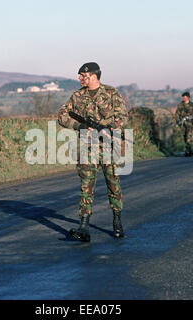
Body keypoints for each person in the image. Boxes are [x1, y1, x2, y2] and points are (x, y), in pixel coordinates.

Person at [57, 62, 128, 242]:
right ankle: (84, 227)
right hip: (87, 147)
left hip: (109, 147)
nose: (80, 78)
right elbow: (62, 115)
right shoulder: (77, 96)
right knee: (86, 185)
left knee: (113, 184)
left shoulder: (112, 93)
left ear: (94, 76)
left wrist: (105, 128)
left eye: (83, 76)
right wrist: (80, 126)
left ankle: (117, 222)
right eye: (80, 76)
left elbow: (123, 118)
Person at [173, 92, 193, 157]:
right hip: (182, 123)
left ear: (188, 97)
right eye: (183, 97)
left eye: (185, 97)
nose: (183, 98)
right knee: (185, 136)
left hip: (189, 123)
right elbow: (177, 114)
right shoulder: (180, 105)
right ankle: (189, 150)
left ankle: (187, 151)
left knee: (188, 135)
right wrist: (177, 121)